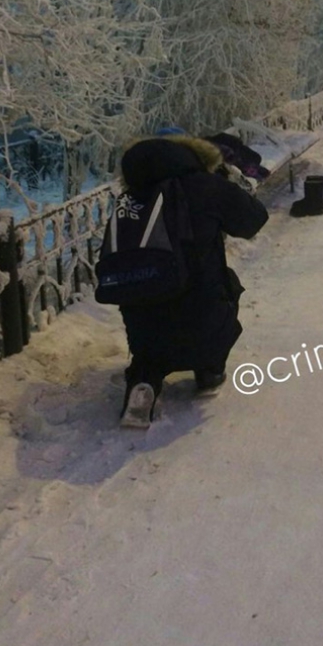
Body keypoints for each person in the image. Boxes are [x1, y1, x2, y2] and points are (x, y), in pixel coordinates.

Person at [116, 134, 268, 428]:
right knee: (227, 286)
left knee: (148, 347)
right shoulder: (205, 186)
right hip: (199, 313)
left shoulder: (132, 195)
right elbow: (254, 219)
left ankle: (143, 382)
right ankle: (208, 369)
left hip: (141, 316)